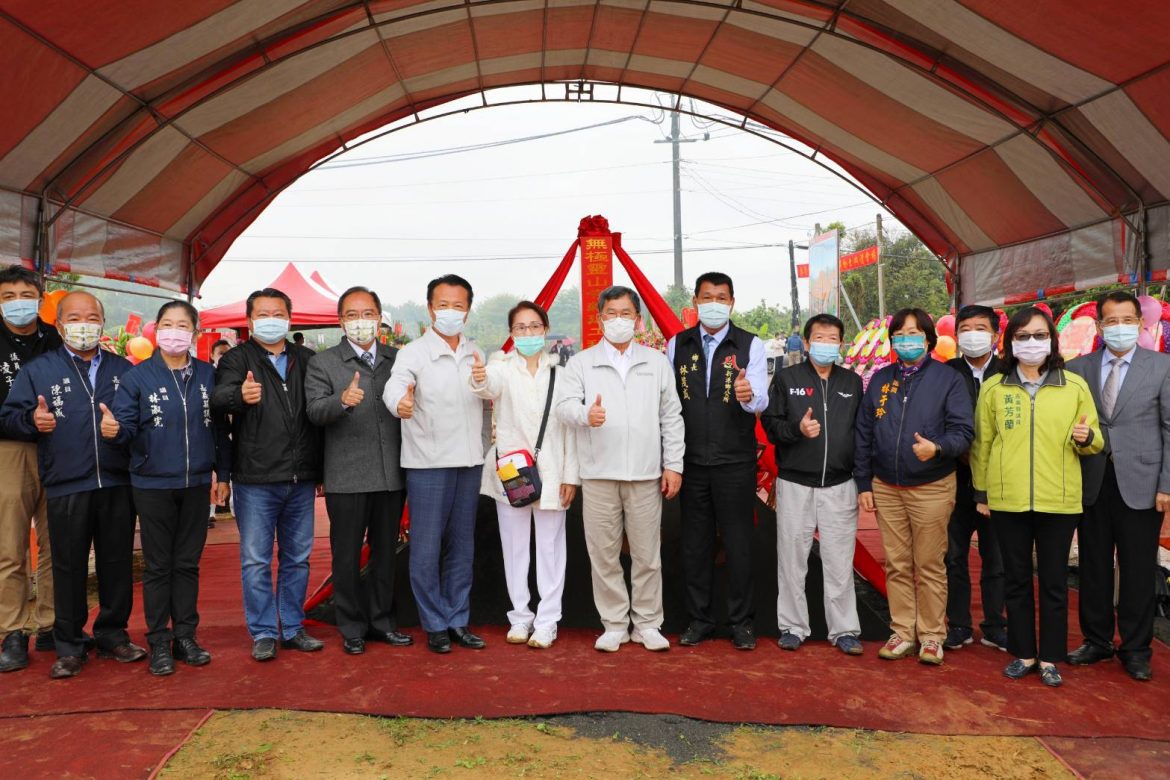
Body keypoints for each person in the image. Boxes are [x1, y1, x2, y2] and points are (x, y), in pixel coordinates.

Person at [0, 291, 145, 678]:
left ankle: (113, 634)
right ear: (60, 324)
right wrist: (34, 421)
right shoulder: (39, 369)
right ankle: (68, 644)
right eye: (75, 317)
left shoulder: (124, 370)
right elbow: (10, 415)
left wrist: (123, 430)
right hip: (66, 482)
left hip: (116, 482)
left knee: (116, 563)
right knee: (67, 566)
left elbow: (142, 424)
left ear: (101, 322)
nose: (85, 324)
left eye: (92, 317)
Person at [971, 306, 1102, 687]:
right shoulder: (995, 388)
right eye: (1023, 336)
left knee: (1054, 581)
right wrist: (982, 491)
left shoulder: (1073, 386)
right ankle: (1023, 652)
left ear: (1052, 340)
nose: (1032, 343)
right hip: (1008, 499)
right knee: (1015, 578)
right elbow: (983, 443)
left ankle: (1050, 657)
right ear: (1010, 342)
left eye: (1039, 335)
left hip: (1058, 501)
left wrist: (1087, 438)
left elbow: (1095, 438)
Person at [555, 286, 685, 652]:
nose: (618, 320)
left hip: (645, 475)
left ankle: (647, 623)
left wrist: (673, 464)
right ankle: (613, 624)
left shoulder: (656, 362)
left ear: (638, 319)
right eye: (610, 313)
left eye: (625, 313)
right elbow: (564, 407)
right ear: (599, 319)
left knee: (647, 555)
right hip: (598, 474)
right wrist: (586, 415)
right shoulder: (581, 363)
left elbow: (671, 417)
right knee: (603, 554)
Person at [109, 301, 229, 675]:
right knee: (159, 566)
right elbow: (126, 427)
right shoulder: (137, 377)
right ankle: (160, 640)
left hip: (196, 483)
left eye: (182, 325)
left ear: (193, 333)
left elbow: (220, 431)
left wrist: (222, 474)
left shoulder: (209, 375)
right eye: (167, 324)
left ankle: (186, 637)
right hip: (152, 483)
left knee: (188, 564)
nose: (174, 331)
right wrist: (115, 432)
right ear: (156, 330)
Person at [855, 308, 973, 666]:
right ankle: (903, 630)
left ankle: (933, 635)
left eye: (914, 333)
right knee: (897, 563)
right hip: (887, 486)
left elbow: (963, 431)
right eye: (900, 335)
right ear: (893, 341)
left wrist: (936, 448)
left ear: (928, 338)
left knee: (930, 563)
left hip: (931, 485)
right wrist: (864, 482)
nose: (907, 340)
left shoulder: (947, 379)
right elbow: (863, 433)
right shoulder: (880, 379)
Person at [210, 287, 323, 662]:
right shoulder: (237, 359)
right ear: (250, 320)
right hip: (255, 479)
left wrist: (319, 467)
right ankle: (262, 632)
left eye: (278, 313)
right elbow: (218, 398)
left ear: (289, 318)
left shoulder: (306, 358)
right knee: (256, 560)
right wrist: (239, 397)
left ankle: (292, 628)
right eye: (263, 313)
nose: (271, 319)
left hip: (300, 477)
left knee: (298, 557)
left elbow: (319, 410)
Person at [1066, 290, 1170, 682]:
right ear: (1099, 325)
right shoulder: (1078, 369)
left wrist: (1167, 484)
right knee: (1093, 564)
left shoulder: (1161, 367)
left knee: (1138, 568)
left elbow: (1169, 428)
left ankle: (1136, 648)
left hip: (1142, 482)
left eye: (1128, 320)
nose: (1120, 328)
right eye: (1112, 321)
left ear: (1140, 323)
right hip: (1091, 480)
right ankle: (1096, 640)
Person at [383, 275, 487, 654]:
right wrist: (401, 404)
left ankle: (458, 618)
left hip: (469, 461)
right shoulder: (413, 353)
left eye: (458, 306)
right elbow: (395, 386)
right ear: (430, 309)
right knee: (426, 548)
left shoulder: (476, 352)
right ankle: (435, 623)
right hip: (428, 463)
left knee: (462, 546)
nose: (450, 312)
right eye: (443, 305)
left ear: (468, 310)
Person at [305, 286, 411, 656]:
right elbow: (315, 412)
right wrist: (341, 402)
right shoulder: (323, 363)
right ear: (341, 320)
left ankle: (383, 622)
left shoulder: (398, 360)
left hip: (391, 476)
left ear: (380, 317)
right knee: (346, 555)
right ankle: (351, 626)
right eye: (352, 314)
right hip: (347, 477)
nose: (361, 321)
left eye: (368, 313)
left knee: (385, 555)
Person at [666, 272, 767, 650]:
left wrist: (747, 392)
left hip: (735, 462)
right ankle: (699, 620)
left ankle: (741, 622)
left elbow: (760, 402)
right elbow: (669, 405)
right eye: (707, 296)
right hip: (691, 462)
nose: (713, 303)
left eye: (721, 297)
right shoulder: (677, 345)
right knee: (695, 543)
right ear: (695, 301)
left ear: (732, 303)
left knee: (739, 543)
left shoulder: (749, 345)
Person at [470, 301, 578, 649]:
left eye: (534, 327)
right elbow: (488, 387)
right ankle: (519, 616)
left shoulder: (562, 373)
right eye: (520, 328)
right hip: (513, 473)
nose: (528, 334)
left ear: (545, 330)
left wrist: (571, 477)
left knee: (550, 548)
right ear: (511, 333)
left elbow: (571, 431)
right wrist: (480, 377)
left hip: (553, 471)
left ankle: (547, 621)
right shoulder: (502, 368)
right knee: (514, 548)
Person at [763, 313, 864, 655]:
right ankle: (793, 626)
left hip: (840, 483)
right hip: (795, 482)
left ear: (840, 343)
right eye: (819, 338)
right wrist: (797, 431)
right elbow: (771, 426)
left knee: (839, 559)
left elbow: (861, 433)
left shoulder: (852, 383)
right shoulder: (786, 378)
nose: (825, 344)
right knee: (793, 559)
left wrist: (863, 481)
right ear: (806, 343)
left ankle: (844, 629)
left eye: (832, 338)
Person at [0, 266, 61, 672]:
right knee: (10, 545)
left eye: (26, 294)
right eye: (8, 296)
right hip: (10, 451)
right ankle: (13, 630)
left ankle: (53, 624)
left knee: (59, 543)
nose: (19, 302)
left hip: (58, 449)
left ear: (40, 298)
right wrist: (26, 423)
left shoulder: (55, 339)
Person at [943, 305, 1007, 652]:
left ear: (995, 334)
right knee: (953, 556)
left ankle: (996, 624)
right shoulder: (945, 373)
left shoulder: (1010, 372)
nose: (972, 334)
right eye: (965, 328)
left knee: (996, 557)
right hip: (955, 478)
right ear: (957, 337)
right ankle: (958, 624)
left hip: (998, 483)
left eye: (980, 328)